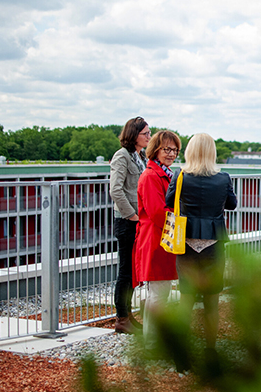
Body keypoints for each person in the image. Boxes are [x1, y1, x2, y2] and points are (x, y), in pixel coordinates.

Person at [165, 133, 237, 365]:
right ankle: (210, 351)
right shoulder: (223, 178)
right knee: (211, 301)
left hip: (186, 243)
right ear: (212, 153)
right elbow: (232, 204)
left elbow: (168, 201)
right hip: (213, 244)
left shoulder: (181, 176)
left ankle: (182, 355)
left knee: (186, 298)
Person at [133, 130, 181, 352]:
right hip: (156, 240)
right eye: (167, 149)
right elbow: (157, 212)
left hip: (162, 239)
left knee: (161, 293)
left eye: (175, 150)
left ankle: (156, 341)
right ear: (156, 150)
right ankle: (152, 345)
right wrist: (182, 221)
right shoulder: (152, 176)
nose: (171, 154)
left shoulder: (165, 173)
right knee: (158, 295)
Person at [110, 116, 149, 334]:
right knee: (126, 272)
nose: (149, 137)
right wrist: (133, 216)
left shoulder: (140, 156)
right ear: (134, 134)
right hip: (127, 223)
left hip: (138, 222)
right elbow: (116, 190)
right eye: (145, 133)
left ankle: (128, 316)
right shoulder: (121, 157)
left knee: (134, 272)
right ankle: (122, 319)